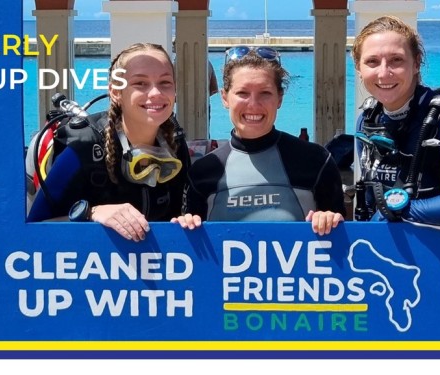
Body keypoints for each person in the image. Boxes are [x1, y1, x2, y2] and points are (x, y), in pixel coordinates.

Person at [174, 46, 345, 236]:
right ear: (224, 98)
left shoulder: (317, 160)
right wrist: (185, 225)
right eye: (242, 93)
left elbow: (343, 241)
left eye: (265, 93)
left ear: (279, 98)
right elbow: (189, 250)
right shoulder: (203, 171)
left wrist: (330, 220)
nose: (253, 105)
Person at [27, 43, 190, 242]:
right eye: (140, 83)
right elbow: (34, 226)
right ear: (115, 92)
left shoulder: (175, 144)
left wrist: (188, 221)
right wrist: (91, 213)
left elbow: (180, 216)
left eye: (165, 82)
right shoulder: (84, 147)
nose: (156, 93)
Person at [352, 16, 440, 229]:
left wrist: (395, 212)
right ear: (358, 67)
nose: (384, 73)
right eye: (372, 61)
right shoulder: (367, 120)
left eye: (396, 60)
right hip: (391, 253)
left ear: (417, 63)